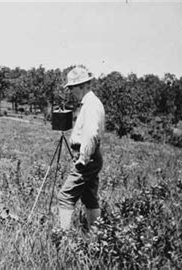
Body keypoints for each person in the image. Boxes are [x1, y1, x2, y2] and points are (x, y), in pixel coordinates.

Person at [57, 66, 105, 231]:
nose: (71, 91)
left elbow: (91, 135)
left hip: (87, 157)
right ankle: (96, 234)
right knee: (89, 197)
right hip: (92, 155)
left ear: (83, 86)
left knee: (65, 196)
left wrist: (82, 159)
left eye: (72, 87)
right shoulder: (91, 103)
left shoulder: (91, 105)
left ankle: (62, 236)